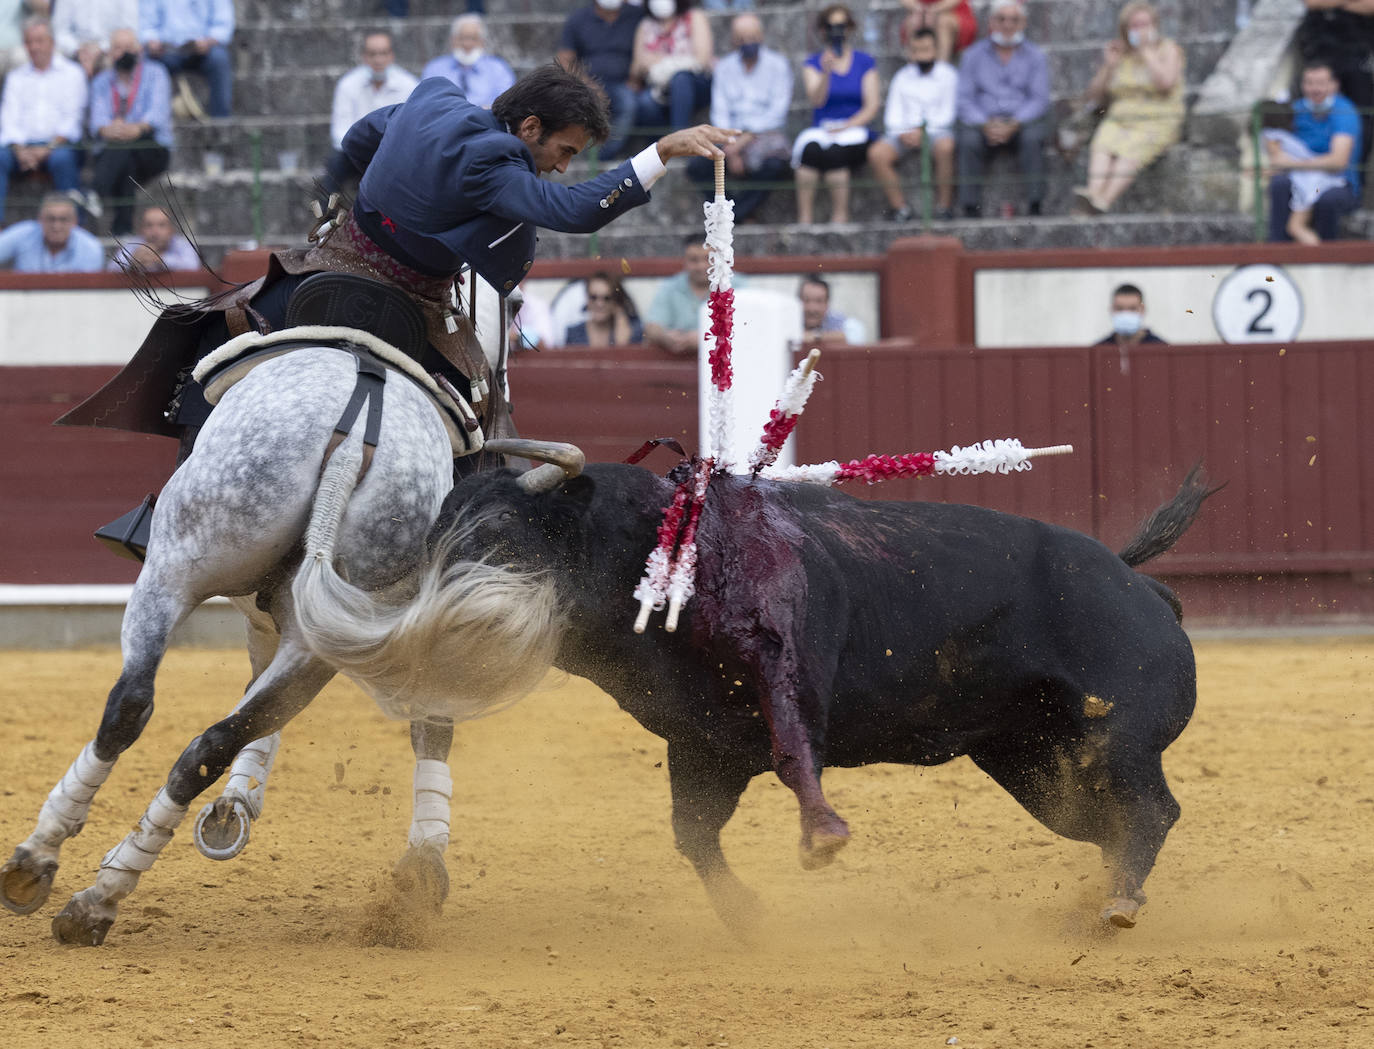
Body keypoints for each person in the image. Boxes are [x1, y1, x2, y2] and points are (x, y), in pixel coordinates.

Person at [62, 64, 737, 448]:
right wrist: (662, 153)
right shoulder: (499, 162)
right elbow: (574, 211)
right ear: (529, 128)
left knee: (223, 334)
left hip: (331, 259)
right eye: (562, 151)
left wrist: (334, 188)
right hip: (413, 296)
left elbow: (361, 134)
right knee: (478, 418)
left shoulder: (433, 96)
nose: (560, 167)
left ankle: (166, 501)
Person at [1074, 2, 1184, 215]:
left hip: (1156, 119)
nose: (1140, 30)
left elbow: (1166, 83)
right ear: (1126, 29)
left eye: (1145, 24)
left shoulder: (1168, 49)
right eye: (1135, 25)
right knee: (1103, 143)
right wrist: (1108, 66)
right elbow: (1094, 97)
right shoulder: (1120, 54)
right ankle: (1093, 195)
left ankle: (1103, 201)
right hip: (1119, 119)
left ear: (1155, 25)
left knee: (1130, 150)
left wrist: (1147, 52)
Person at [685, 13, 791, 222]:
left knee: (776, 166)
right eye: (741, 38)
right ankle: (741, 213)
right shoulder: (725, 68)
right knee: (697, 168)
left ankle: (734, 216)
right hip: (728, 138)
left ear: (761, 36)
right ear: (733, 40)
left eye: (752, 37)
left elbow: (776, 114)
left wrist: (740, 143)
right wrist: (731, 149)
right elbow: (720, 112)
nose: (747, 43)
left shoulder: (778, 65)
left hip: (765, 137)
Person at [954, 0, 1049, 218]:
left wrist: (1015, 123)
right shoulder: (972, 56)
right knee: (968, 140)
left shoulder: (1036, 56)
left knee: (1034, 138)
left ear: (1023, 23)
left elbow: (1039, 99)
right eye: (1001, 19)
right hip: (983, 121)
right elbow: (964, 99)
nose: (1007, 25)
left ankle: (1036, 205)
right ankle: (970, 208)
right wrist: (985, 123)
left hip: (1021, 122)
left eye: (1014, 20)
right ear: (991, 22)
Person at [793, 4, 881, 225]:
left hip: (854, 129)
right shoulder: (814, 63)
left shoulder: (864, 62)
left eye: (841, 26)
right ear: (823, 30)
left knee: (835, 155)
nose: (837, 31)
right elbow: (817, 100)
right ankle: (805, 220)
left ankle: (840, 217)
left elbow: (872, 105)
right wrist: (826, 72)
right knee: (809, 153)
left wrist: (849, 125)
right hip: (824, 128)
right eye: (831, 26)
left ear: (850, 28)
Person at [0, 18, 86, 226]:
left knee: (62, 159)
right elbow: (8, 119)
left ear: (52, 42)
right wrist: (21, 150)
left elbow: (73, 120)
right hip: (21, 147)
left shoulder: (72, 73)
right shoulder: (16, 77)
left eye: (39, 41)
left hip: (59, 145)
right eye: (29, 42)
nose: (34, 47)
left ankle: (73, 226)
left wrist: (47, 149)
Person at [88, 27, 173, 236]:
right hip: (117, 146)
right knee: (127, 162)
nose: (124, 53)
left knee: (127, 146)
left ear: (139, 50)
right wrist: (112, 130)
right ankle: (122, 228)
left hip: (151, 146)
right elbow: (97, 122)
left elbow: (157, 115)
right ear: (109, 53)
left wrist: (136, 128)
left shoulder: (156, 73)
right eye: (118, 48)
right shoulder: (101, 81)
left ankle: (97, 191)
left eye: (129, 47)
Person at [868, 26, 957, 222]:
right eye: (917, 50)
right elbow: (892, 115)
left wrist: (923, 131)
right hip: (904, 133)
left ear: (935, 49)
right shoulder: (902, 76)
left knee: (946, 147)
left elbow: (948, 115)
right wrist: (905, 132)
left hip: (936, 132)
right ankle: (901, 209)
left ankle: (944, 207)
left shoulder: (949, 75)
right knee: (877, 153)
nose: (922, 55)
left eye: (926, 49)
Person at [1266, 60, 1362, 243]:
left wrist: (1292, 164)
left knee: (1326, 201)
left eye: (1321, 83)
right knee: (1279, 184)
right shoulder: (1296, 110)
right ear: (1303, 85)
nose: (1315, 89)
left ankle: (1326, 257)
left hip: (1337, 183)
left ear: (1334, 85)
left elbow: (1338, 162)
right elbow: (1274, 146)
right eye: (1310, 83)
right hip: (1301, 181)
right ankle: (1277, 253)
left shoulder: (1344, 111)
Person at [323, 30, 418, 199]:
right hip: (356, 155)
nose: (378, 60)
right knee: (334, 166)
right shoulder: (348, 85)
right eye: (372, 54)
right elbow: (339, 133)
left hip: (394, 154)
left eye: (383, 53)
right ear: (364, 57)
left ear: (392, 56)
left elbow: (412, 129)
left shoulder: (408, 85)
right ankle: (327, 222)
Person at [557, 0, 645, 159]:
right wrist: (587, 85)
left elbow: (647, 45)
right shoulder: (578, 19)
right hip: (587, 83)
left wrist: (637, 76)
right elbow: (565, 59)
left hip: (624, 84)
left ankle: (602, 156)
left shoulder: (637, 16)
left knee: (628, 103)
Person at [1295, 0, 1374, 163]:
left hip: (1358, 53)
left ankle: (1354, 177)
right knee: (1312, 114)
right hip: (1320, 51)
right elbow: (1312, 2)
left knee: (1364, 118)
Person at [139, 0, 234, 119]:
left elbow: (223, 25)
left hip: (204, 50)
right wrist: (152, 42)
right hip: (167, 51)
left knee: (219, 59)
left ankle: (221, 121)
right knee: (147, 61)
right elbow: (146, 24)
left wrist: (208, 41)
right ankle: (148, 122)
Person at [631, 0, 713, 136]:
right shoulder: (645, 25)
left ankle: (679, 140)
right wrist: (678, 61)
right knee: (645, 102)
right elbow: (637, 67)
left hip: (695, 85)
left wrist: (659, 61)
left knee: (680, 79)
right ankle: (659, 149)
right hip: (660, 89)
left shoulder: (693, 17)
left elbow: (702, 60)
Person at [420, 14, 514, 110]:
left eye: (473, 38)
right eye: (462, 38)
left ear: (482, 41)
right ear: (452, 40)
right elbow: (426, 102)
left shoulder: (498, 69)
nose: (467, 44)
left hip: (486, 122)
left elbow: (506, 103)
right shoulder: (434, 68)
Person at [0, 191, 103, 272]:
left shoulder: (90, 247)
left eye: (63, 219)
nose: (56, 226)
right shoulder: (23, 233)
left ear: (75, 222)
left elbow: (88, 293)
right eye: (51, 219)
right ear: (40, 219)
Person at [644, 235, 711, 354]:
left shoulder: (737, 287)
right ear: (684, 261)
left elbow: (748, 328)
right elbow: (651, 327)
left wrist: (707, 338)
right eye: (694, 260)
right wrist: (664, 336)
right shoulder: (669, 287)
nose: (701, 266)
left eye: (708, 259)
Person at [52, 0, 137, 78]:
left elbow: (129, 29)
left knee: (125, 53)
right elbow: (59, 31)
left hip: (110, 50)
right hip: (76, 50)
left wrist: (101, 50)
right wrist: (78, 50)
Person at [107, 204, 200, 273]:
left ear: (171, 229)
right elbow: (111, 268)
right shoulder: (134, 244)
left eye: (161, 225)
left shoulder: (182, 244)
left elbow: (193, 266)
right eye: (149, 225)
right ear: (141, 229)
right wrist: (131, 262)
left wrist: (160, 260)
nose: (155, 232)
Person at [563, 271, 644, 346]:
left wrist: (620, 315)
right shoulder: (574, 333)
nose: (599, 304)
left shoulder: (633, 329)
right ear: (587, 298)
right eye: (593, 297)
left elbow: (624, 351)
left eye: (607, 298)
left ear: (615, 301)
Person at [900, 0, 978, 64]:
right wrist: (919, 9)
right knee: (913, 22)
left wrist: (933, 10)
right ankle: (913, 69)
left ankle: (941, 70)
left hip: (954, 13)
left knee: (943, 22)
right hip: (921, 13)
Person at [1093, 283, 1166, 347]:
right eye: (1119, 309)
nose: (1126, 314)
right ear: (1111, 310)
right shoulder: (1099, 349)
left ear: (1142, 309)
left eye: (1132, 309)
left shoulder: (1161, 348)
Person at [799, 275, 865, 344]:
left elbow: (856, 336)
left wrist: (816, 337)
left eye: (819, 301)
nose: (812, 308)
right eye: (806, 300)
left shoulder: (839, 321)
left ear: (827, 303)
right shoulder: (790, 320)